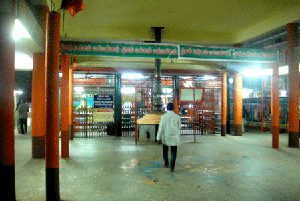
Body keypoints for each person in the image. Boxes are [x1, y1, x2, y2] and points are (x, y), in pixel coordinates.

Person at [156, 103, 181, 172]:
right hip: (174, 137)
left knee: (165, 151)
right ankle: (172, 166)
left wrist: (158, 138)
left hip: (166, 136)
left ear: (167, 108)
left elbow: (161, 128)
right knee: (173, 152)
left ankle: (166, 163)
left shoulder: (163, 117)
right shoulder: (177, 117)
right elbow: (179, 127)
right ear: (173, 108)